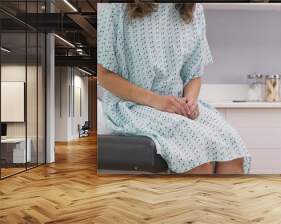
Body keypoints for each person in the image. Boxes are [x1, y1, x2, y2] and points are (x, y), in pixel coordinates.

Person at [97, 2, 251, 174]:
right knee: (198, 159)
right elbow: (104, 76)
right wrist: (157, 101)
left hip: (176, 106)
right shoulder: (115, 8)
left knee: (233, 151)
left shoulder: (194, 9)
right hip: (132, 105)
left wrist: (190, 102)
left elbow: (193, 74)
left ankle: (220, 201)